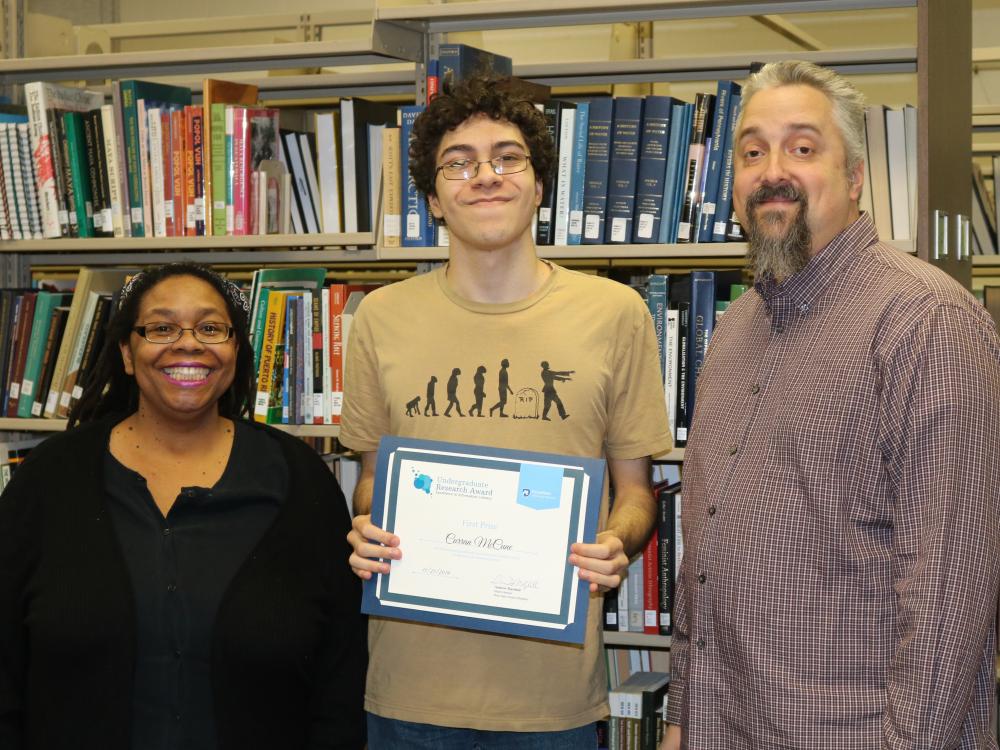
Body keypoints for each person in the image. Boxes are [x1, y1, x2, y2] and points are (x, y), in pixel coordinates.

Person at [662, 61, 1000, 750]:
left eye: (803, 147)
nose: (772, 170)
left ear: (854, 178)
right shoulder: (733, 329)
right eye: (752, 152)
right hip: (725, 728)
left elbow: (948, 593)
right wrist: (679, 722)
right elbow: (705, 549)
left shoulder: (927, 322)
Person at [341, 75, 672, 748]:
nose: (485, 176)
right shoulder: (379, 318)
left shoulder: (616, 315)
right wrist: (371, 527)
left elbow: (635, 494)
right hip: (409, 690)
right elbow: (374, 481)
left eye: (508, 157)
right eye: (459, 162)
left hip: (551, 700)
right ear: (434, 199)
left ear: (540, 185)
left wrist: (617, 544)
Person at [0, 262, 367, 750]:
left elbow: (340, 673)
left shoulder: (299, 479)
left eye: (211, 327)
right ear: (128, 354)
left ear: (236, 349)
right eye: (161, 327)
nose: (188, 343)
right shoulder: (48, 480)